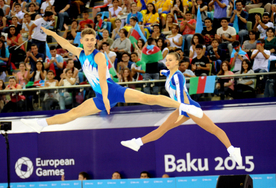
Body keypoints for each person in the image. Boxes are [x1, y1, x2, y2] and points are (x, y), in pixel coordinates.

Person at [21, 27, 203, 133]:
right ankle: (40, 125)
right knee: (74, 113)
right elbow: (65, 44)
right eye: (87, 40)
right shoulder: (80, 53)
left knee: (147, 99)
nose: (91, 42)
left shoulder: (99, 56)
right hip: (101, 96)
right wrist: (52, 34)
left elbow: (101, 77)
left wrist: (107, 98)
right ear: (82, 41)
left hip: (111, 90)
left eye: (93, 39)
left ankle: (182, 106)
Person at [120, 52, 243, 166]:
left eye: (170, 60)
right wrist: (164, 72)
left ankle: (232, 149)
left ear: (177, 62)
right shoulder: (171, 74)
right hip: (183, 107)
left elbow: (180, 94)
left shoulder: (178, 76)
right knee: (163, 128)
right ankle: (138, 143)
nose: (167, 62)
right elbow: (168, 74)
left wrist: (182, 111)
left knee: (213, 129)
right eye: (166, 60)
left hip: (189, 107)